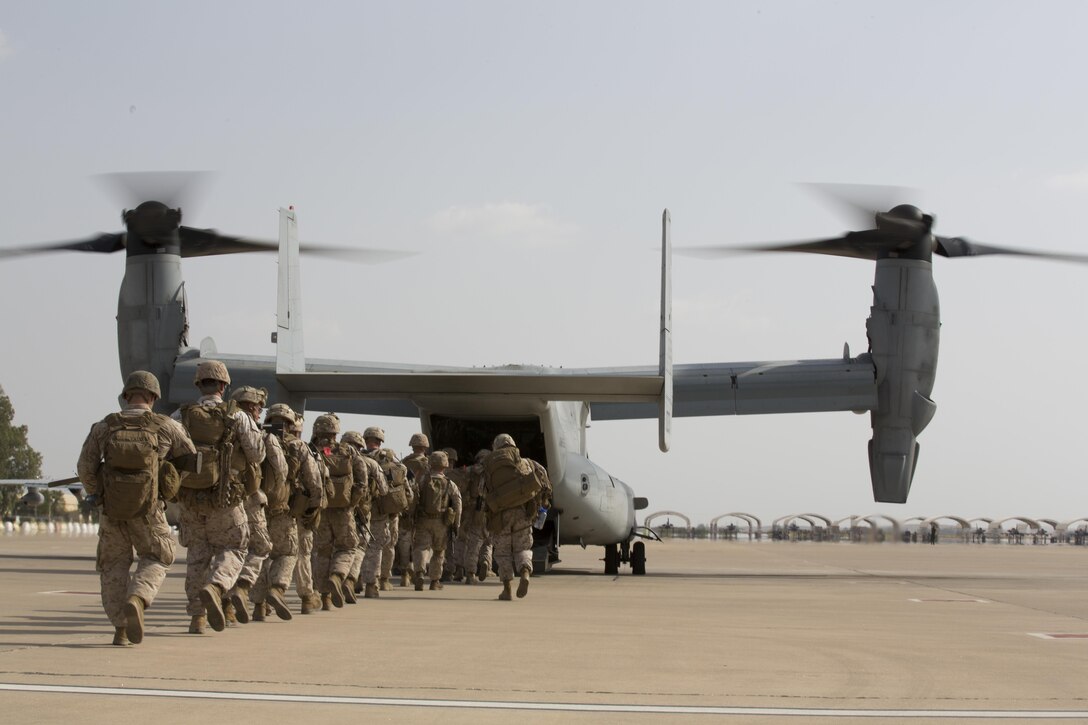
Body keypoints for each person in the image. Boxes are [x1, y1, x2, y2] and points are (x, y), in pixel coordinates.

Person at [77, 370, 197, 646]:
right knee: (159, 556)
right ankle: (138, 598)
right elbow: (192, 461)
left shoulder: (104, 427)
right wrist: (170, 487)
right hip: (150, 508)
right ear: (153, 397)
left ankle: (120, 628)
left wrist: (97, 493)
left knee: (113, 566)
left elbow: (85, 467)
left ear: (126, 395)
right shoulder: (166, 426)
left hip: (111, 510)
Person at [173, 360, 265, 634]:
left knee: (197, 557)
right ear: (224, 386)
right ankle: (217, 586)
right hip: (226, 497)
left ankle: (196, 618)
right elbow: (257, 454)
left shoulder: (181, 415)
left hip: (190, 499)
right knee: (236, 547)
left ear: (199, 384)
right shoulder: (237, 416)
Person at [226, 386, 286, 623]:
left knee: (221, 551)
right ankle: (242, 587)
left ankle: (219, 605)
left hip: (213, 498)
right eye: (259, 407)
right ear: (252, 406)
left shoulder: (216, 423)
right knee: (260, 547)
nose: (260, 411)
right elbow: (273, 465)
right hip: (248, 497)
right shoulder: (253, 427)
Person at [310, 413, 368, 610]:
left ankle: (324, 596)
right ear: (336, 431)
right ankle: (338, 575)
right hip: (344, 511)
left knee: (322, 552)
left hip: (321, 510)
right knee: (348, 547)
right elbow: (362, 482)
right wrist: (352, 503)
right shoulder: (350, 451)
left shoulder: (312, 451)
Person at [484, 433, 551, 601]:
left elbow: (482, 491)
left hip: (501, 515)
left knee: (503, 553)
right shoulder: (529, 463)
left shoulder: (490, 466)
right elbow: (545, 484)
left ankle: (507, 589)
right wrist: (543, 502)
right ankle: (525, 572)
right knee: (523, 548)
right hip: (523, 513)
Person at [358, 426, 408, 597]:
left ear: (365, 440)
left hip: (358, 511)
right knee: (376, 547)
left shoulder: (357, 458)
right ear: (380, 441)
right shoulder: (391, 461)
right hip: (381, 512)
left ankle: (353, 580)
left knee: (356, 547)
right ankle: (373, 584)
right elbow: (402, 488)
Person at [339, 430, 388, 601]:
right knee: (362, 548)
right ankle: (364, 584)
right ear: (360, 445)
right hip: (363, 512)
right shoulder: (370, 463)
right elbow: (384, 489)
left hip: (337, 512)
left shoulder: (331, 459)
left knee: (338, 549)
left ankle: (333, 584)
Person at [411, 450, 462, 591]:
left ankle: (419, 573)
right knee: (439, 551)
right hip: (441, 522)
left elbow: (413, 498)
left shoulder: (423, 480)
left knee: (421, 547)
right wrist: (456, 524)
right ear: (445, 465)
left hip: (423, 519)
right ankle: (434, 581)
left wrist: (412, 517)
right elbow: (458, 503)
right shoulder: (449, 483)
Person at [456, 449, 493, 585]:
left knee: (463, 539)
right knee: (486, 540)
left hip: (467, 509)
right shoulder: (492, 472)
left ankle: (459, 569)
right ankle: (482, 564)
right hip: (484, 509)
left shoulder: (468, 470)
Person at [396, 433, 429, 586]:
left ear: (412, 445)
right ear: (425, 447)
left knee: (404, 540)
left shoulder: (403, 463)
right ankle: (419, 572)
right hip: (424, 508)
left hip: (406, 507)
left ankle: (404, 574)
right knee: (421, 543)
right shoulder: (429, 464)